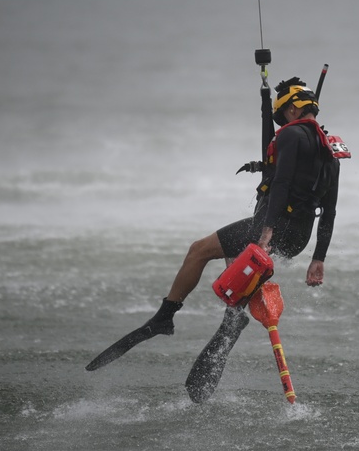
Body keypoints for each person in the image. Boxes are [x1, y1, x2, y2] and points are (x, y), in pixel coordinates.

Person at [137, 77, 342, 338]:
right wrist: (318, 259)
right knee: (234, 257)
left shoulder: (292, 134)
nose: (283, 123)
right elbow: (329, 211)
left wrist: (266, 233)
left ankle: (164, 317)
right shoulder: (330, 150)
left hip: (275, 228)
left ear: (292, 109)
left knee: (198, 250)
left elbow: (281, 183)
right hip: (299, 238)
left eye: (282, 117)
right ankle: (231, 322)